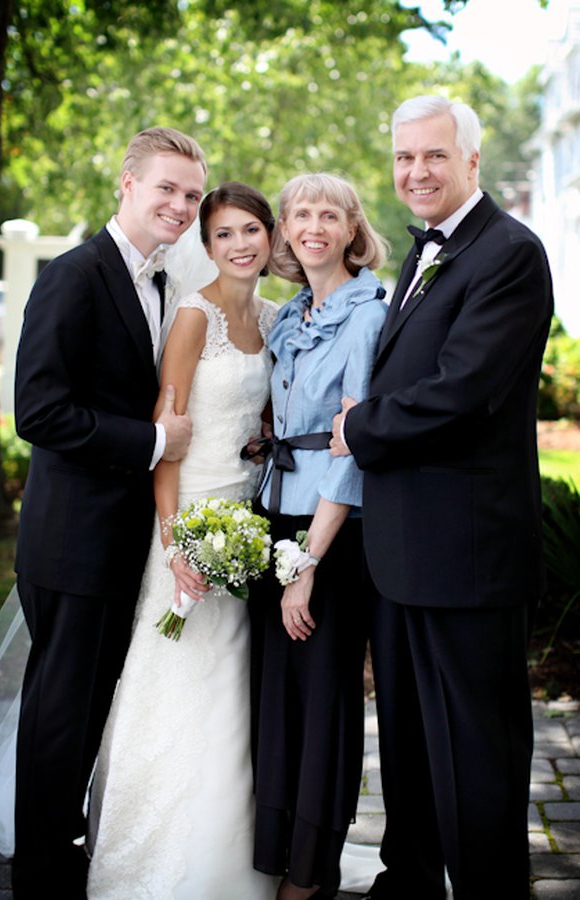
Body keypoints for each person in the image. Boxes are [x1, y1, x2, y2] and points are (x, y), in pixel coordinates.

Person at [330, 95, 554, 899]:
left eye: (432, 156)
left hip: (467, 557)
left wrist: (360, 427)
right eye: (402, 157)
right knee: (414, 750)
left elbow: (462, 391)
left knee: (478, 755)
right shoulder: (426, 254)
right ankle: (410, 883)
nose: (415, 171)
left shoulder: (509, 253)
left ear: (470, 162)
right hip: (401, 556)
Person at [12, 127, 207, 899]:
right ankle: (39, 876)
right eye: (166, 188)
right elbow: (39, 410)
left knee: (90, 706)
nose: (180, 206)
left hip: (121, 538)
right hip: (72, 540)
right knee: (59, 714)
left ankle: (63, 854)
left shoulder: (158, 282)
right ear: (126, 184)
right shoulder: (75, 274)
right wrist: (154, 438)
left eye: (191, 195)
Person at [86, 182, 279, 900]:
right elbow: (167, 441)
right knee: (172, 675)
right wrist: (173, 544)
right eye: (224, 233)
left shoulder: (273, 316)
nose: (239, 244)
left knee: (231, 688)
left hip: (246, 523)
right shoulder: (193, 318)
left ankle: (229, 855)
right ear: (207, 243)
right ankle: (152, 859)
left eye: (251, 230)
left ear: (269, 236)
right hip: (189, 520)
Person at [248, 172, 389, 900]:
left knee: (324, 702)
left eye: (328, 213)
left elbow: (355, 442)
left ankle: (311, 873)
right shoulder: (291, 313)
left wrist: (307, 563)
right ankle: (273, 853)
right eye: (299, 213)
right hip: (277, 517)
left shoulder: (369, 311)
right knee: (278, 698)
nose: (312, 226)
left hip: (330, 531)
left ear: (351, 228)